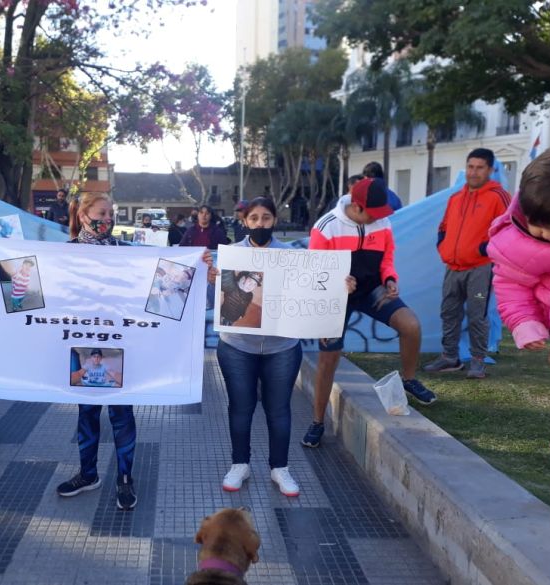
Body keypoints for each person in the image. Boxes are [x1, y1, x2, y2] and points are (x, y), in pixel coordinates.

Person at [0, 192, 215, 510]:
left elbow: (160, 288)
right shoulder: (61, 254)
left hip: (120, 344)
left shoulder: (125, 253)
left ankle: (125, 477)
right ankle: (88, 474)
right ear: (84, 215)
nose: (109, 219)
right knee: (87, 412)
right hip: (82, 344)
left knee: (122, 413)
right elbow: (26, 289)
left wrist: (198, 268)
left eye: (112, 214)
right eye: (103, 213)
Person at [304, 178, 436, 448]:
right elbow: (314, 271)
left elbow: (387, 257)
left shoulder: (383, 223)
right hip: (337, 296)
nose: (378, 219)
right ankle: (317, 422)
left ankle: (409, 380)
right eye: (373, 214)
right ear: (356, 206)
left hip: (373, 289)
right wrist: (338, 280)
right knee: (329, 358)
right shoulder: (326, 227)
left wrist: (389, 278)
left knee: (411, 325)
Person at [215, 197, 304, 496]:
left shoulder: (292, 255)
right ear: (245, 222)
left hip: (282, 347)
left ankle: (280, 468)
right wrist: (211, 279)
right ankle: (240, 464)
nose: (260, 224)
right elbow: (216, 302)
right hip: (237, 345)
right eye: (254, 218)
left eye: (266, 218)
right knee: (240, 408)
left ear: (275, 220)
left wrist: (339, 286)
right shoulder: (230, 257)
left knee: (279, 410)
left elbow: (312, 293)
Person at [487, 143, 550, 428]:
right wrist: (524, 323)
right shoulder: (516, 246)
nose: (547, 235)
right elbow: (510, 290)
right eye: (539, 226)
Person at [423, 148, 510, 378]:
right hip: (453, 267)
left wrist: (484, 249)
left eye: (480, 167)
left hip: (480, 269)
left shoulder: (498, 197)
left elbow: (508, 230)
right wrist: (443, 246)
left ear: (491, 170)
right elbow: (443, 227)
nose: (474, 172)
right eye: (470, 166)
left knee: (476, 313)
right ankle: (449, 357)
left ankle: (478, 361)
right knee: (449, 312)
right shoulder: (455, 198)